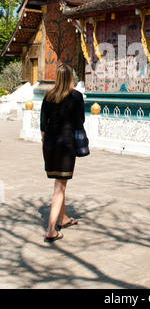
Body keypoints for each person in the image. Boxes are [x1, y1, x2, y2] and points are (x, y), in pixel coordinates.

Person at [40, 64, 85, 242]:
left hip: (50, 142)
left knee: (60, 181)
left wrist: (45, 144)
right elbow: (79, 121)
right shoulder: (76, 96)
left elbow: (43, 123)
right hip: (66, 144)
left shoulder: (48, 96)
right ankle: (51, 229)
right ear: (71, 77)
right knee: (60, 186)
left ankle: (63, 218)